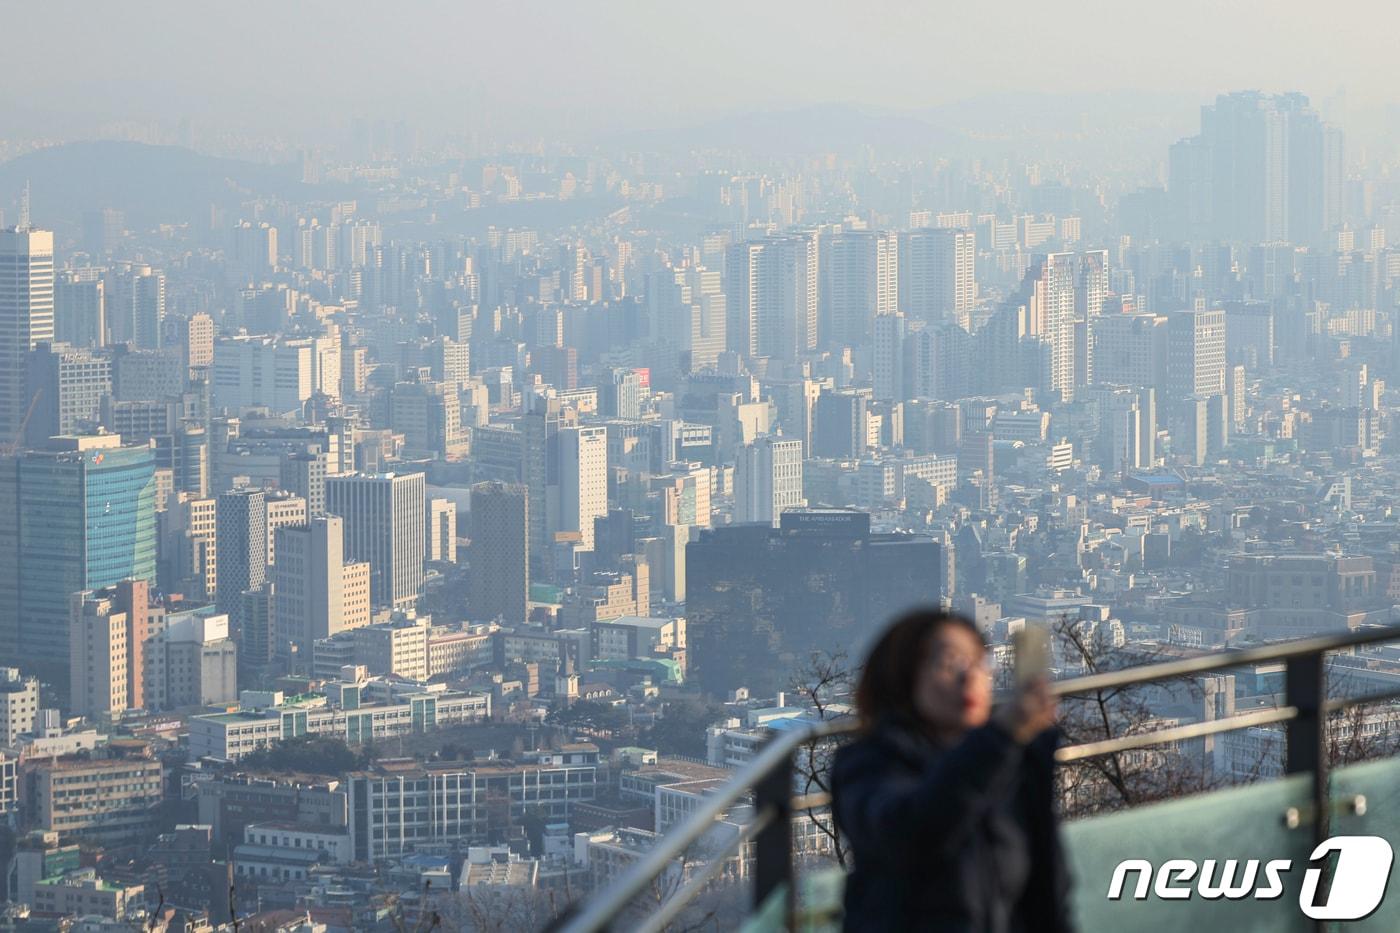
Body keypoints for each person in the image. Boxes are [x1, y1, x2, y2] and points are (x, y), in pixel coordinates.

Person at [830, 609, 1071, 932]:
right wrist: (999, 739)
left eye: (978, 663)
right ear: (903, 676)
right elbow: (912, 830)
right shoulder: (867, 764)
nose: (968, 676)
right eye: (949, 663)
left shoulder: (1011, 766)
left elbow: (1045, 894)